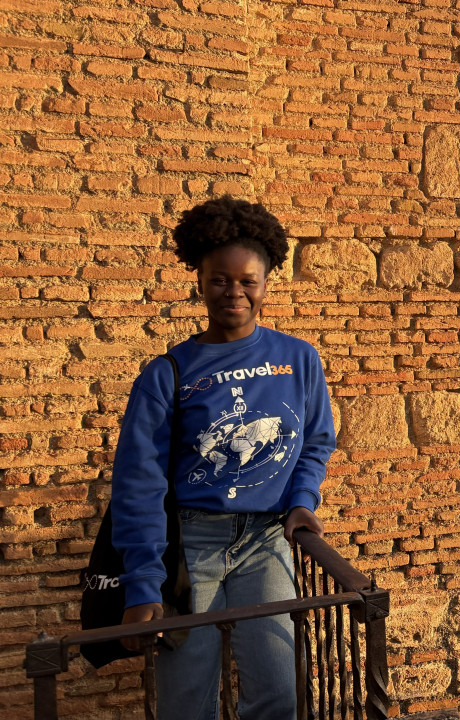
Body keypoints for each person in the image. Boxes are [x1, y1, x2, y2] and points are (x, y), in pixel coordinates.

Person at [112, 196, 336, 720]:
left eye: (247, 281)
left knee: (279, 694)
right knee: (188, 702)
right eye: (219, 280)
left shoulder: (298, 358)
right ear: (199, 281)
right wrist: (143, 583)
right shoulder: (167, 373)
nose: (233, 292)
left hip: (265, 541)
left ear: (266, 284)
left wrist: (302, 501)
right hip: (192, 547)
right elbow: (138, 482)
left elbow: (316, 441)